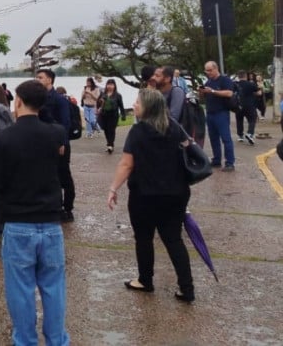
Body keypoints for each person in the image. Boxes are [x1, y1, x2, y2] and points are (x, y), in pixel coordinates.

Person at [0, 80, 70, 346]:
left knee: (20, 289)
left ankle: (25, 341)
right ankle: (57, 340)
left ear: (17, 101)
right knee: (53, 287)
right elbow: (62, 170)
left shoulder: (3, 138)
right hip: (50, 220)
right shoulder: (56, 134)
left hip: (18, 220)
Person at [107, 89, 194, 303]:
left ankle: (145, 280)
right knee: (173, 239)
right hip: (176, 193)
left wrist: (113, 188)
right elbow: (188, 149)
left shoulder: (138, 131)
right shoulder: (175, 127)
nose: (134, 105)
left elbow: (127, 164)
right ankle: (187, 287)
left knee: (144, 238)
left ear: (148, 107)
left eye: (138, 102)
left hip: (144, 195)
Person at [36, 68, 74, 223]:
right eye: (36, 77)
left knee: (64, 176)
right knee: (49, 176)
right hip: (44, 142)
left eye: (40, 77)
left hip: (59, 143)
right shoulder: (38, 98)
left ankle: (68, 208)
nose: (37, 80)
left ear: (49, 80)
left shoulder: (59, 99)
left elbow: (65, 123)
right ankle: (54, 206)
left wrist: (62, 142)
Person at [198, 61, 235, 171]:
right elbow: (203, 98)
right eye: (206, 71)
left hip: (221, 113)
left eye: (210, 70)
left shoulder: (225, 80)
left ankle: (230, 162)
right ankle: (216, 160)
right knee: (213, 138)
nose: (208, 73)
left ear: (216, 68)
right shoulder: (208, 82)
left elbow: (229, 93)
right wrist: (202, 92)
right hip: (210, 113)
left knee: (226, 138)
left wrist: (213, 91)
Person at [96, 79, 127, 154]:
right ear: (106, 85)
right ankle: (109, 144)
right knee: (106, 129)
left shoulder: (118, 95)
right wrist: (98, 107)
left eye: (111, 84)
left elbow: (121, 106)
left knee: (111, 130)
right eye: (108, 84)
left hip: (113, 115)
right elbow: (98, 103)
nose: (110, 86)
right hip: (103, 115)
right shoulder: (103, 94)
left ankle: (110, 145)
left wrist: (123, 115)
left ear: (114, 86)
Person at [234, 70, 258, 146]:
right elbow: (258, 92)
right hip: (249, 105)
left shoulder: (235, 84)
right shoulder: (250, 84)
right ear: (246, 76)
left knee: (239, 120)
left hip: (238, 105)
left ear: (238, 76)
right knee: (252, 119)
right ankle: (250, 133)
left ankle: (240, 135)